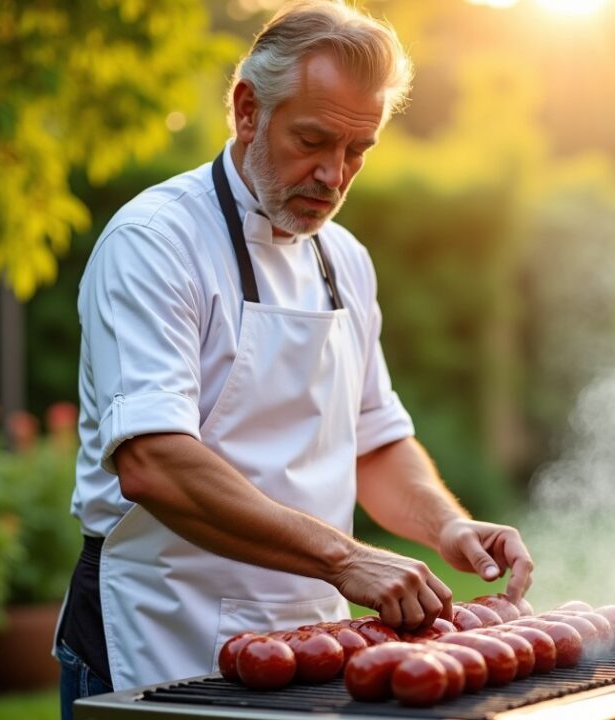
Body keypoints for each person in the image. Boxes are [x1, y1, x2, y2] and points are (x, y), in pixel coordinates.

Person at [54, 2, 534, 717]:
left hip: (310, 645)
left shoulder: (345, 259)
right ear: (248, 110)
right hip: (158, 634)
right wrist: (348, 559)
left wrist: (447, 526)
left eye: (359, 150)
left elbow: (374, 441)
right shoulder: (155, 242)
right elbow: (153, 463)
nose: (334, 175)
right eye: (313, 140)